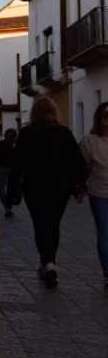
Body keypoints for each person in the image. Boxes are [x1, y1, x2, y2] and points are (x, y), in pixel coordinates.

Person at [8, 97, 88, 288]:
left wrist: (10, 191)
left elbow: (17, 165)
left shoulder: (26, 134)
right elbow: (77, 162)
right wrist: (79, 186)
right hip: (61, 188)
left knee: (41, 224)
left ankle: (48, 263)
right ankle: (49, 263)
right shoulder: (65, 133)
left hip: (34, 187)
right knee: (53, 225)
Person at [79, 101, 108, 288]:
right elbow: (83, 168)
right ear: (99, 118)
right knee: (105, 233)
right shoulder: (89, 141)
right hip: (99, 193)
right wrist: (80, 190)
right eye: (106, 115)